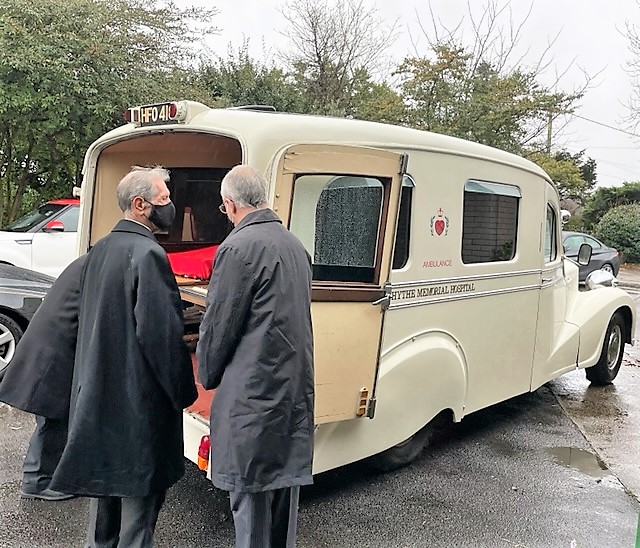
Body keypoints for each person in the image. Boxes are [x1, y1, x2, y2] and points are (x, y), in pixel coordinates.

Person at [49, 166, 198, 548]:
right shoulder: (149, 254)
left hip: (98, 394)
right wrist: (184, 392)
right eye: (164, 199)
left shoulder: (100, 248)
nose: (170, 206)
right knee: (138, 514)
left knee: (106, 509)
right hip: (138, 404)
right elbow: (161, 337)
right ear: (140, 205)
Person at [197, 165, 315, 548]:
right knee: (282, 503)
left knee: (250, 510)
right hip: (292, 393)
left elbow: (219, 326)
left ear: (229, 204)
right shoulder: (294, 244)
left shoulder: (237, 247)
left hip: (252, 397)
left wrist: (207, 375)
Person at [0, 254, 87, 501]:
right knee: (51, 416)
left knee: (52, 416)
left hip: (49, 345)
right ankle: (36, 481)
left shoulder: (85, 264)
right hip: (53, 350)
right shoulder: (98, 267)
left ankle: (44, 476)